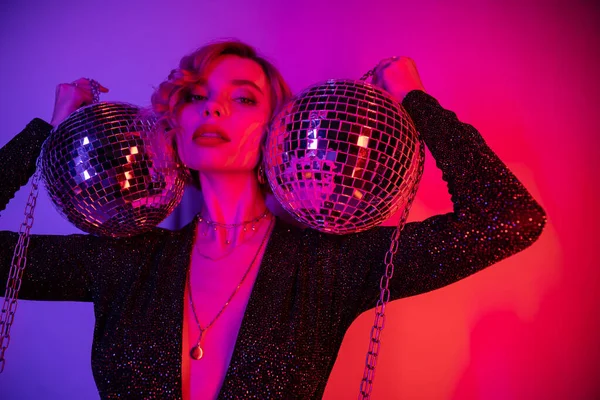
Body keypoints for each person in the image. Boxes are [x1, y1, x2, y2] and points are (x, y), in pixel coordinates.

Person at [0, 40, 547, 399]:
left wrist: (414, 100)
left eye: (242, 99)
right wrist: (46, 132)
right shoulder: (120, 262)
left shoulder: (332, 263)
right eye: (196, 95)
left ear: (278, 127)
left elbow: (509, 217)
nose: (212, 109)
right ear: (175, 121)